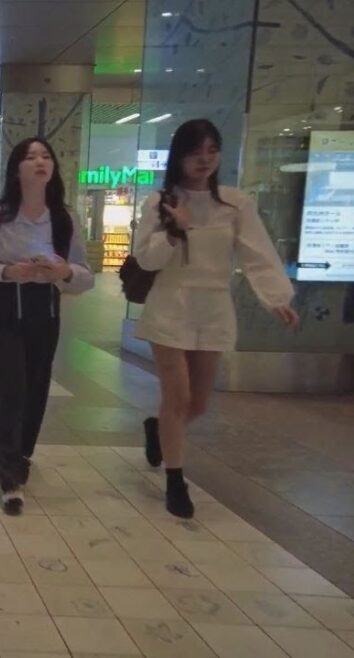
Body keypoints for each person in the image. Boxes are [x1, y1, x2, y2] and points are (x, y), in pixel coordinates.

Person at [132, 119, 298, 519]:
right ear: (180, 156)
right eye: (195, 151)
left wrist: (275, 297)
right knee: (179, 397)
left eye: (211, 150)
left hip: (214, 307)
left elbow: (257, 251)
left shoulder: (234, 203)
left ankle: (158, 429)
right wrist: (175, 231)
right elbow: (146, 258)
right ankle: (175, 480)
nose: (204, 159)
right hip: (170, 306)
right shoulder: (160, 202)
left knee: (199, 403)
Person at [0, 137, 94, 516]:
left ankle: (21, 456)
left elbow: (85, 275)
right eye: (30, 156)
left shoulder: (64, 216)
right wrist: (8, 271)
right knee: (13, 388)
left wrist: (64, 271)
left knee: (37, 389)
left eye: (46, 156)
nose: (40, 161)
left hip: (45, 310)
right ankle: (9, 476)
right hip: (3, 309)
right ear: (17, 168)